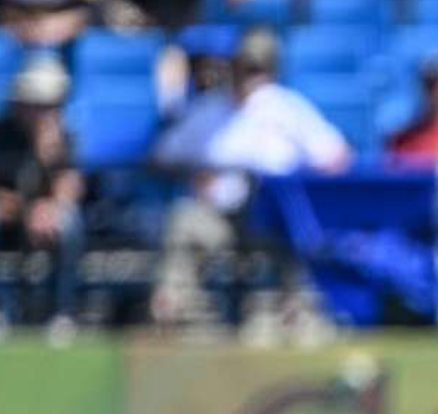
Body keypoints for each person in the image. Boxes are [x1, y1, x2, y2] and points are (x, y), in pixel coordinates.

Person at [150, 26, 351, 325]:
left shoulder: (286, 107)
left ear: (271, 70)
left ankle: (298, 313)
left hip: (269, 218)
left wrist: (294, 182)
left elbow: (337, 157)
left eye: (257, 68)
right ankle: (176, 314)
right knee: (183, 220)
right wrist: (195, 173)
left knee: (298, 224)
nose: (249, 76)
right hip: (218, 214)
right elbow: (161, 156)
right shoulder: (210, 108)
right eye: (244, 67)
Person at [0, 53, 84, 334]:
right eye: (37, 104)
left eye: (49, 104)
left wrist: (49, 200)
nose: (43, 111)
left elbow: (70, 184)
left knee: (69, 222)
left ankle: (61, 313)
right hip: (3, 220)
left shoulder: (64, 136)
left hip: (40, 218)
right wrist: (24, 209)